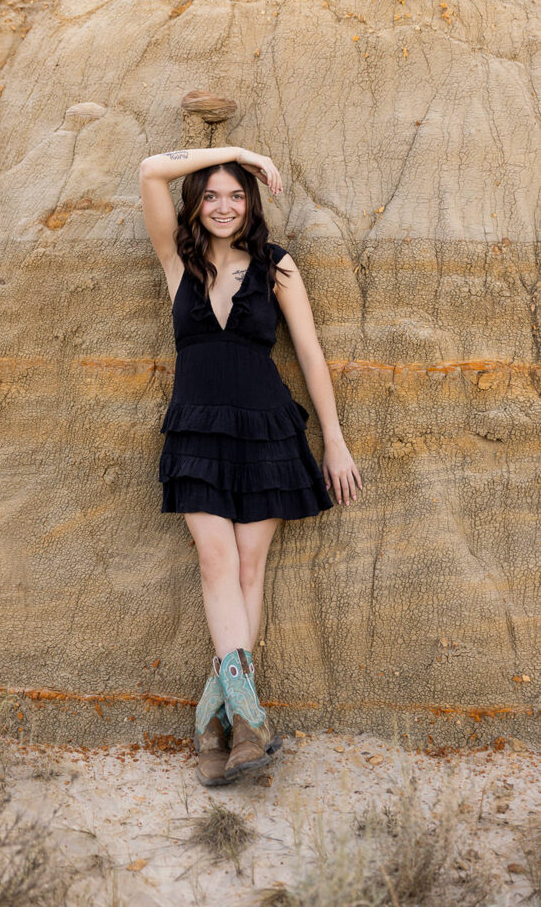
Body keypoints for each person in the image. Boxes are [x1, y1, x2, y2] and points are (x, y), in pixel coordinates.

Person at [139, 146, 362, 787]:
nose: (224, 206)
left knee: (249, 568)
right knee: (216, 561)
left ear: (252, 203)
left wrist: (335, 441)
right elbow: (151, 169)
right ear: (196, 204)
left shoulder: (277, 267)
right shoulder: (176, 261)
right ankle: (250, 718)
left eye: (236, 194)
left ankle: (222, 724)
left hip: (266, 427)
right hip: (198, 429)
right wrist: (237, 152)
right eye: (211, 194)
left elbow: (311, 354)